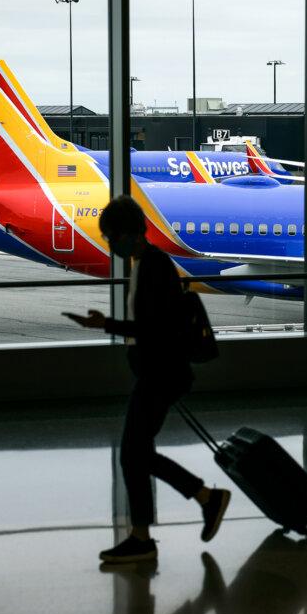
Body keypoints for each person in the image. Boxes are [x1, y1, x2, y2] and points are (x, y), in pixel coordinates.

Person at [64, 195, 231, 564]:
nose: (111, 245)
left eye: (111, 237)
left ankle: (149, 534)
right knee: (137, 454)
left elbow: (154, 329)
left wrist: (104, 324)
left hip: (162, 374)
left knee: (132, 454)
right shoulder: (147, 264)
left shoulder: (154, 266)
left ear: (128, 233)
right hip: (161, 372)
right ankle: (201, 501)